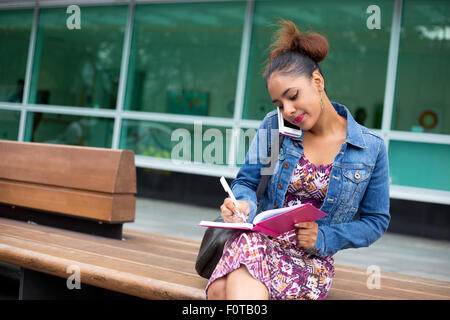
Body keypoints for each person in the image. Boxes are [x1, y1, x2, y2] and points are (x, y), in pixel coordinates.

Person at [205, 20, 390, 300]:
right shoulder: (273, 127)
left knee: (221, 292)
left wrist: (325, 238)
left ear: (317, 81)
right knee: (244, 254)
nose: (288, 110)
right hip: (258, 242)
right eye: (279, 104)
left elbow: (376, 221)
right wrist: (243, 203)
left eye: (293, 97)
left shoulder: (370, 148)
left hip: (311, 262)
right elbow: (246, 181)